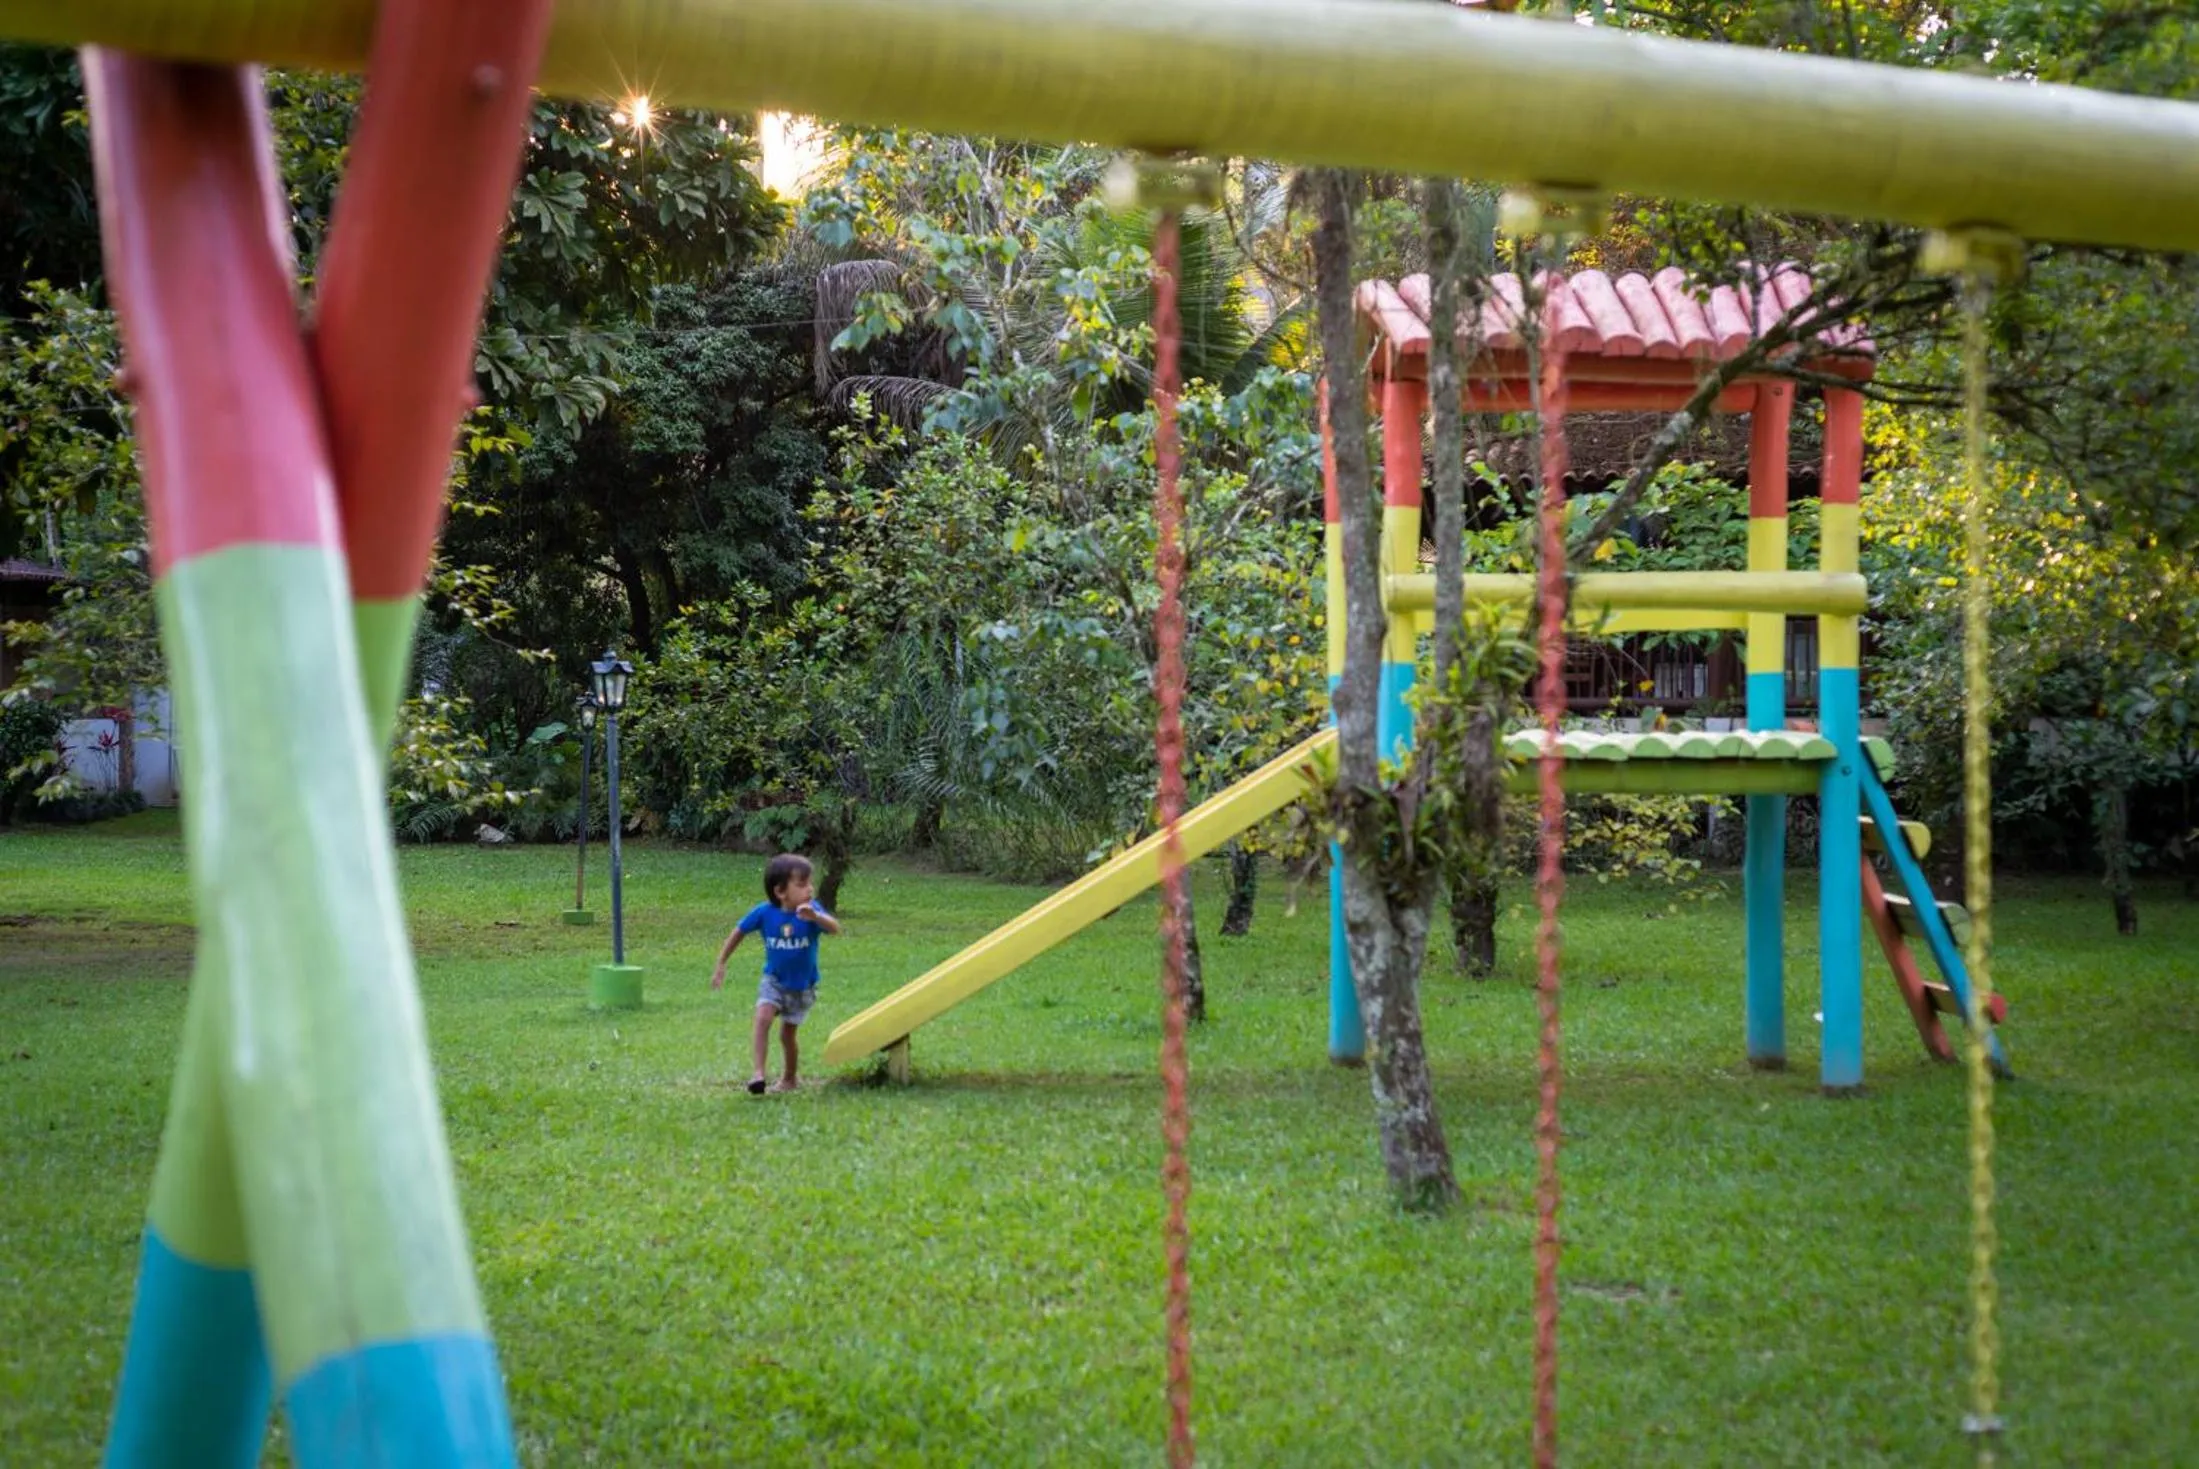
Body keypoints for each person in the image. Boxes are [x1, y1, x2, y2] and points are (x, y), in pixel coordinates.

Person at [710, 853, 841, 1094]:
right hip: (775, 981)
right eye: (802, 885)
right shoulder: (764, 913)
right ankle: (758, 1073)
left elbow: (835, 929)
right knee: (763, 1016)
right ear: (780, 891)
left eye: (810, 883)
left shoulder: (811, 911)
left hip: (803, 987)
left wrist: (817, 917)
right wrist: (721, 963)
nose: (809, 889)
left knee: (786, 1035)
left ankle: (790, 1079)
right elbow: (738, 931)